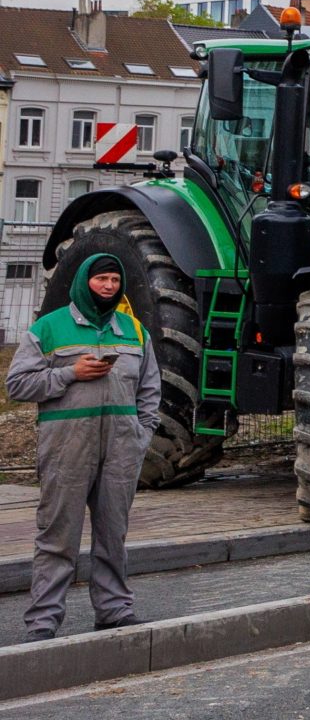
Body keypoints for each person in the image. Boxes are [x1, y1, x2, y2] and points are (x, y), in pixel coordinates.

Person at [7, 253, 159, 642]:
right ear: (83, 282)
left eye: (114, 280)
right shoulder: (49, 328)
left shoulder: (134, 331)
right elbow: (17, 384)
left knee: (113, 533)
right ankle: (43, 622)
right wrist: (70, 373)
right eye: (101, 279)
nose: (108, 286)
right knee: (58, 535)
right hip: (66, 446)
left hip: (121, 448)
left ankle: (114, 610)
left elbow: (149, 389)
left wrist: (141, 434)